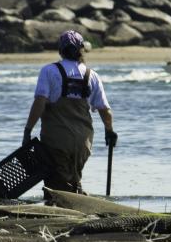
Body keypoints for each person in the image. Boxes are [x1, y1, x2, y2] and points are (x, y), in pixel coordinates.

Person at [23, 30, 117, 195]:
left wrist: (28, 131)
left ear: (60, 50)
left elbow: (39, 103)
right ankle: (79, 207)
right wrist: (110, 132)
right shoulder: (92, 75)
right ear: (82, 50)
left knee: (55, 188)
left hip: (56, 141)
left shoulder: (49, 71)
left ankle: (60, 215)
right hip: (83, 143)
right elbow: (105, 110)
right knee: (73, 179)